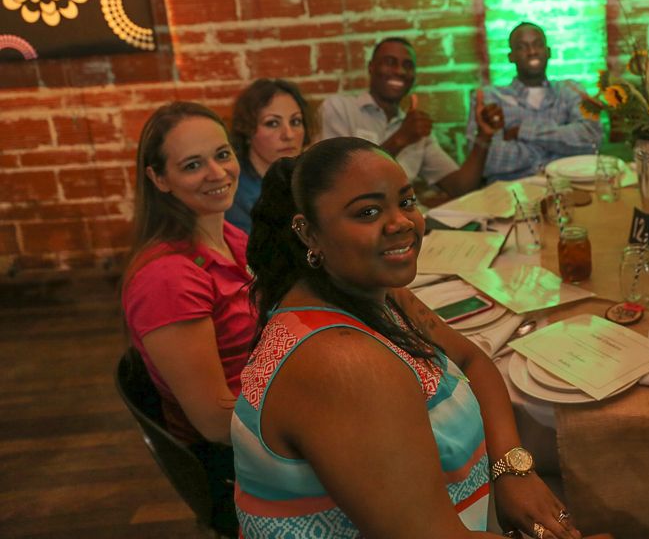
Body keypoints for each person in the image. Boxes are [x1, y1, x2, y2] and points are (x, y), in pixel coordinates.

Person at [232, 138, 582, 539]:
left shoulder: (379, 296)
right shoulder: (343, 362)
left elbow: (472, 360)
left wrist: (511, 468)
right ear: (309, 233)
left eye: (406, 201)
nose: (401, 222)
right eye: (368, 212)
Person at [121, 102, 254, 536]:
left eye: (222, 154)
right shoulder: (169, 277)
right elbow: (216, 424)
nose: (217, 173)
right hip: (241, 462)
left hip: (267, 419)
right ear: (159, 179)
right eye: (193, 165)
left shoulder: (230, 237)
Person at [318, 37, 504, 198]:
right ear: (371, 67)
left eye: (408, 65)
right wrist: (400, 139)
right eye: (390, 62)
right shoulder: (339, 109)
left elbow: (459, 187)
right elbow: (339, 183)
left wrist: (484, 135)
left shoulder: (415, 128)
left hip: (408, 219)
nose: (399, 71)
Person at [465, 22, 603, 181]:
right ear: (511, 57)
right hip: (510, 191)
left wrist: (521, 132)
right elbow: (487, 161)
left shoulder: (570, 90)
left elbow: (592, 139)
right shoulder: (490, 97)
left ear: (548, 52)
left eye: (538, 45)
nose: (532, 52)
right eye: (522, 47)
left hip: (567, 188)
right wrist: (558, 149)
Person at [226, 78, 312, 232]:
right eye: (272, 123)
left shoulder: (312, 178)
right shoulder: (235, 192)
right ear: (247, 130)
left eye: (295, 121)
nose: (289, 135)